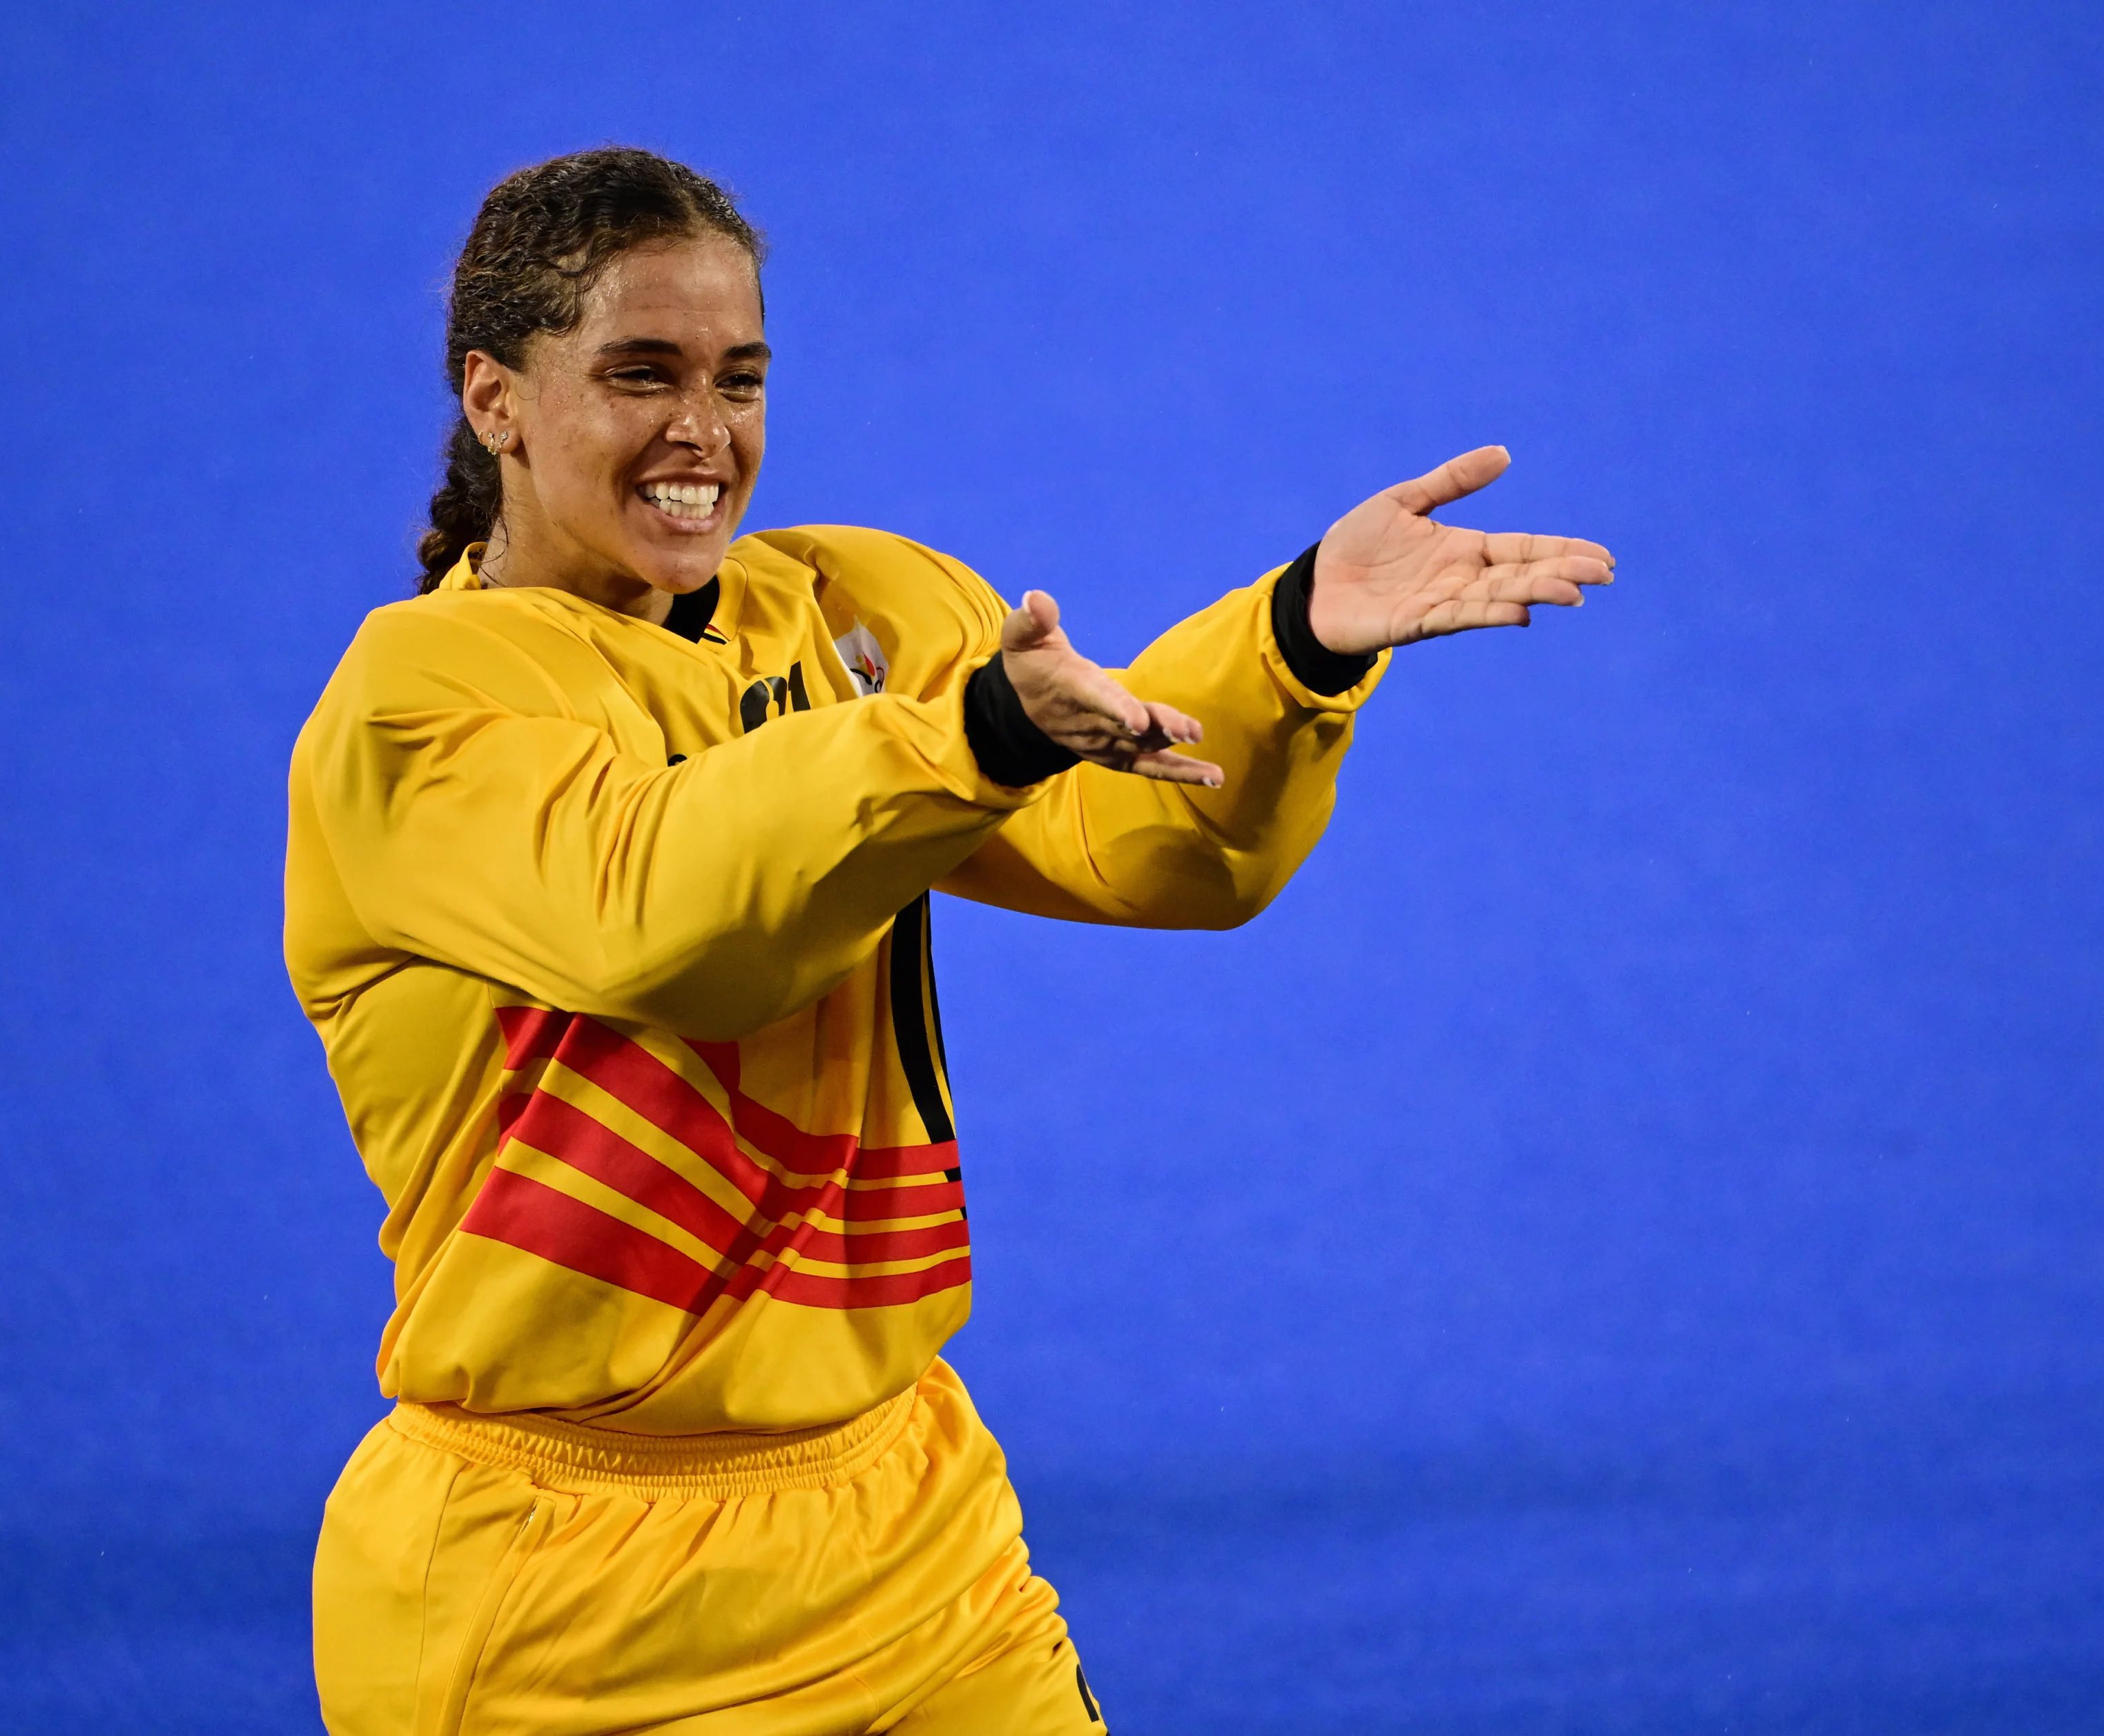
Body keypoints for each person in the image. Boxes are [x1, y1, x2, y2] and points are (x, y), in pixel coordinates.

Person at [286, 146, 1612, 1736]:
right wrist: (967, 733)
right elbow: (668, 918)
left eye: (740, 376)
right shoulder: (418, 703)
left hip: (908, 1528)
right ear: (496, 397)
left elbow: (1152, 843)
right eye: (640, 373)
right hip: (565, 1593)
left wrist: (1291, 644)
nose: (703, 431)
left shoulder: (852, 606)